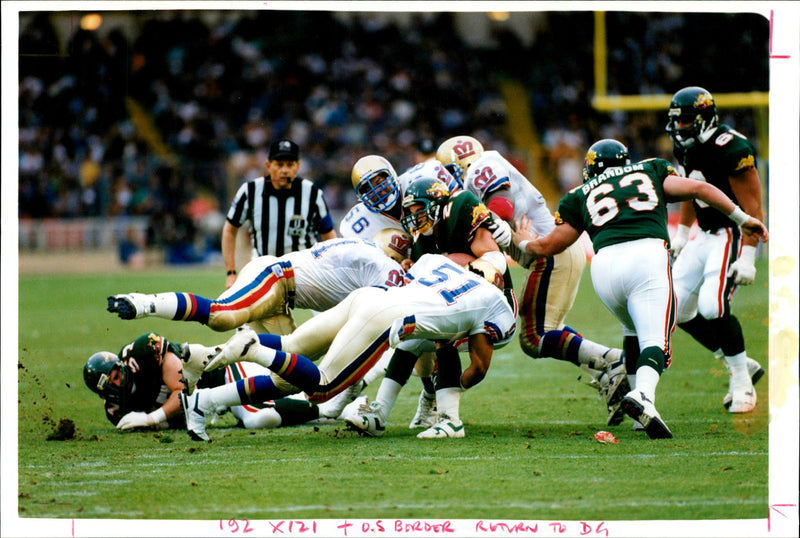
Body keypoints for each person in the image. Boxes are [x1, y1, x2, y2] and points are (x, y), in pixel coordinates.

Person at [511, 139, 768, 439]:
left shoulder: (578, 194)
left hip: (604, 268)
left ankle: (639, 413)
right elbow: (700, 190)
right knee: (655, 341)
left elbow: (549, 246)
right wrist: (743, 218)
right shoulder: (651, 169)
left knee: (632, 330)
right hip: (646, 257)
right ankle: (643, 395)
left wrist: (523, 241)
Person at [180, 253, 517, 442]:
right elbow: (479, 367)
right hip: (382, 316)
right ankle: (251, 349)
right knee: (322, 387)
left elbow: (422, 341)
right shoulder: (493, 302)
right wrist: (455, 390)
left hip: (369, 297)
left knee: (290, 347)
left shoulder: (440, 264)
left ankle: (203, 397)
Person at [436, 135, 628, 424]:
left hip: (550, 249)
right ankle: (603, 372)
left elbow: (502, 200)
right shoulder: (481, 172)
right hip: (553, 249)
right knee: (547, 328)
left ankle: (612, 360)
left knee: (533, 337)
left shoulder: (480, 166)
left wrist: (496, 220)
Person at [343, 177, 514, 439]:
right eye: (409, 212)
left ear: (437, 203)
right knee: (410, 340)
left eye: (418, 209)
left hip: (491, 304)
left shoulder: (460, 206)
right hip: (456, 303)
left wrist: (455, 271)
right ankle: (381, 413)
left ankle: (448, 416)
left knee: (469, 361)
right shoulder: (421, 242)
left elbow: (494, 261)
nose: (414, 217)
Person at [338, 155, 462, 429]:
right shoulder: (356, 225)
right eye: (368, 188)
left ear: (394, 175)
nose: (378, 190)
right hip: (405, 277)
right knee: (417, 337)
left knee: (432, 336)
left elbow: (461, 211)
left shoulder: (425, 177)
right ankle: (436, 405)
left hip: (449, 262)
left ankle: (433, 406)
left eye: (381, 181)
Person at [665, 86, 767, 413]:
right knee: (676, 307)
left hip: (731, 232)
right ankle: (741, 363)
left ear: (706, 118)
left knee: (712, 306)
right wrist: (681, 233)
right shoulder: (689, 146)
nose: (680, 129)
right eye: (676, 122)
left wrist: (749, 256)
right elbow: (692, 189)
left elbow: (753, 207)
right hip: (704, 235)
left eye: (686, 121)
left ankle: (742, 382)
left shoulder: (731, 147)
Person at [107, 233, 408, 338]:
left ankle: (201, 377)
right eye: (402, 259)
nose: (403, 266)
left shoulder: (362, 252)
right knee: (221, 316)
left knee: (291, 367)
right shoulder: (380, 263)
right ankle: (144, 302)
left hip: (280, 291)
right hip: (276, 278)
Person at [83, 332, 322, 432]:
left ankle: (328, 406)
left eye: (118, 371)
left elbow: (186, 390)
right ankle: (330, 401)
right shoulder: (116, 411)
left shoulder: (143, 350)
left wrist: (151, 418)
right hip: (217, 403)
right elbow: (179, 420)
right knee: (261, 415)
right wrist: (158, 423)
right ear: (104, 393)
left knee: (260, 417)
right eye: (113, 380)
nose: (120, 378)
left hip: (225, 374)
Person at [221, 138, 337, 293]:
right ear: (269, 166)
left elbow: (328, 235)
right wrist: (231, 273)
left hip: (305, 270)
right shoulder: (250, 191)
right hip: (263, 270)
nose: (284, 170)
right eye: (279, 164)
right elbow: (229, 230)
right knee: (247, 312)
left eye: (290, 165)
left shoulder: (312, 193)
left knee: (331, 309)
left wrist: (332, 270)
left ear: (298, 166)